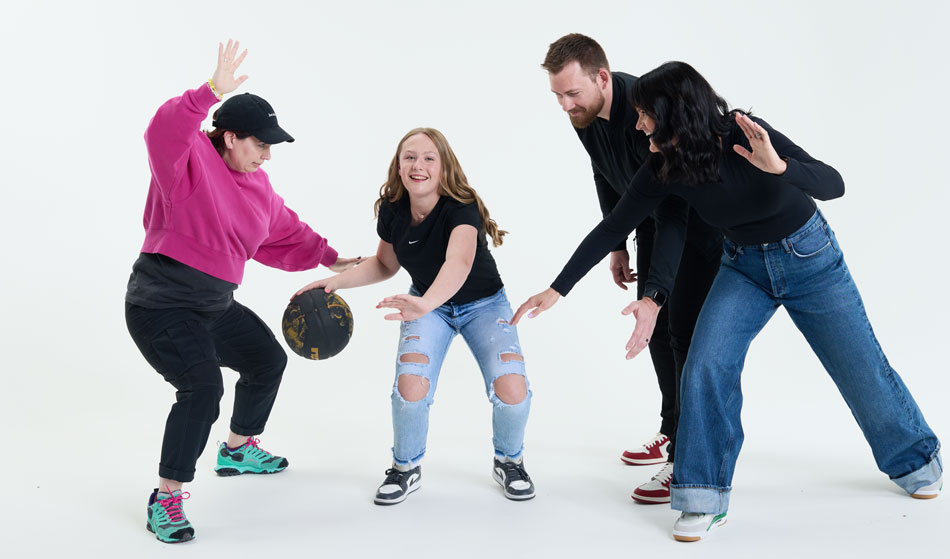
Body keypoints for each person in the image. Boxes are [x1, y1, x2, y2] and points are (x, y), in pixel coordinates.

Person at [513, 61, 942, 542]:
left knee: (859, 365)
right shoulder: (663, 164)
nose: (637, 125)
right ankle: (702, 494)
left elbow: (833, 182)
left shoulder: (743, 132)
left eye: (644, 116)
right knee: (704, 365)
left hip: (808, 257)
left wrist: (779, 167)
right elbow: (614, 225)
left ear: (672, 113)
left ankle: (917, 461)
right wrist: (557, 289)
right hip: (742, 267)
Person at [125, 40, 358, 544]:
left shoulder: (258, 186)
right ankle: (166, 497)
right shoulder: (186, 162)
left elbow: (285, 231)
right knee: (203, 388)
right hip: (161, 305)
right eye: (260, 144)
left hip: (213, 306)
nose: (267, 154)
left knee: (267, 360)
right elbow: (161, 130)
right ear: (229, 137)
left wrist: (331, 258)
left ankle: (235, 449)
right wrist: (208, 92)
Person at [296, 128, 534, 505]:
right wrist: (334, 283)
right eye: (409, 157)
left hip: (483, 304)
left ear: (444, 166)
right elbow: (384, 264)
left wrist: (425, 304)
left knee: (512, 390)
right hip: (426, 303)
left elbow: (460, 262)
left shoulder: (462, 206)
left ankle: (510, 460)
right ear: (398, 164)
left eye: (428, 158)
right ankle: (405, 468)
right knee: (410, 388)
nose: (417, 165)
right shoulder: (393, 208)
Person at [541, 34, 722, 503]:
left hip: (689, 230)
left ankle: (685, 456)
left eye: (572, 93)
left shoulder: (647, 111)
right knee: (658, 335)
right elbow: (603, 174)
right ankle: (671, 429)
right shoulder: (583, 116)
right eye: (558, 95)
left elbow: (673, 211)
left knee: (681, 335)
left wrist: (655, 291)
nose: (565, 105)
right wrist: (617, 244)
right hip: (646, 227)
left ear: (602, 77)